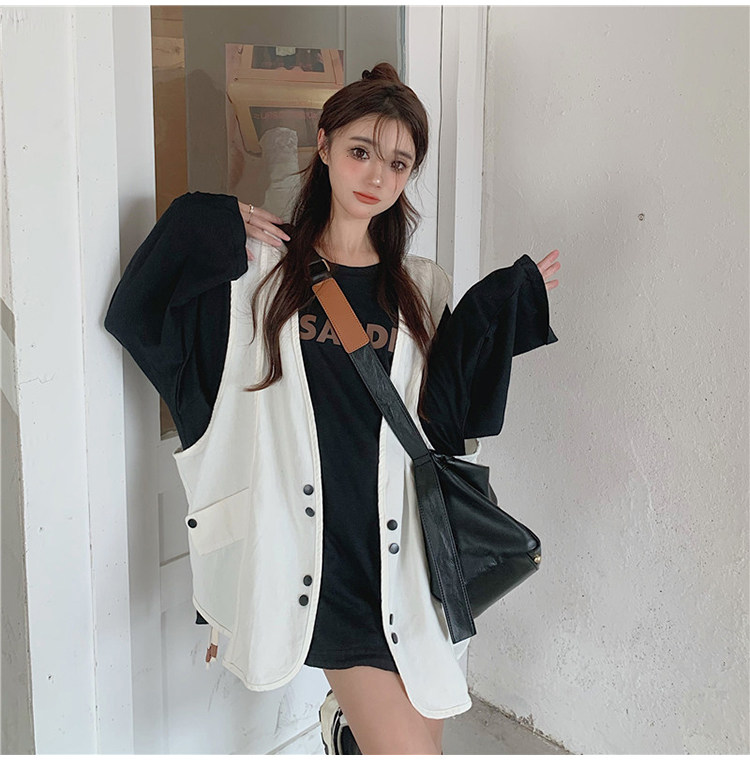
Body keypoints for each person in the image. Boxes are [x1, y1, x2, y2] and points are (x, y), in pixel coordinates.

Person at [105, 62, 561, 755]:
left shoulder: (419, 287)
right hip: (319, 561)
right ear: (322, 145)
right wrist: (209, 220)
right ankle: (346, 724)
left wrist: (496, 307)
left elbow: (441, 424)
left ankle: (341, 728)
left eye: (398, 163)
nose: (377, 176)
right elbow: (140, 315)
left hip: (404, 558)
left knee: (424, 728)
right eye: (360, 151)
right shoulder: (258, 274)